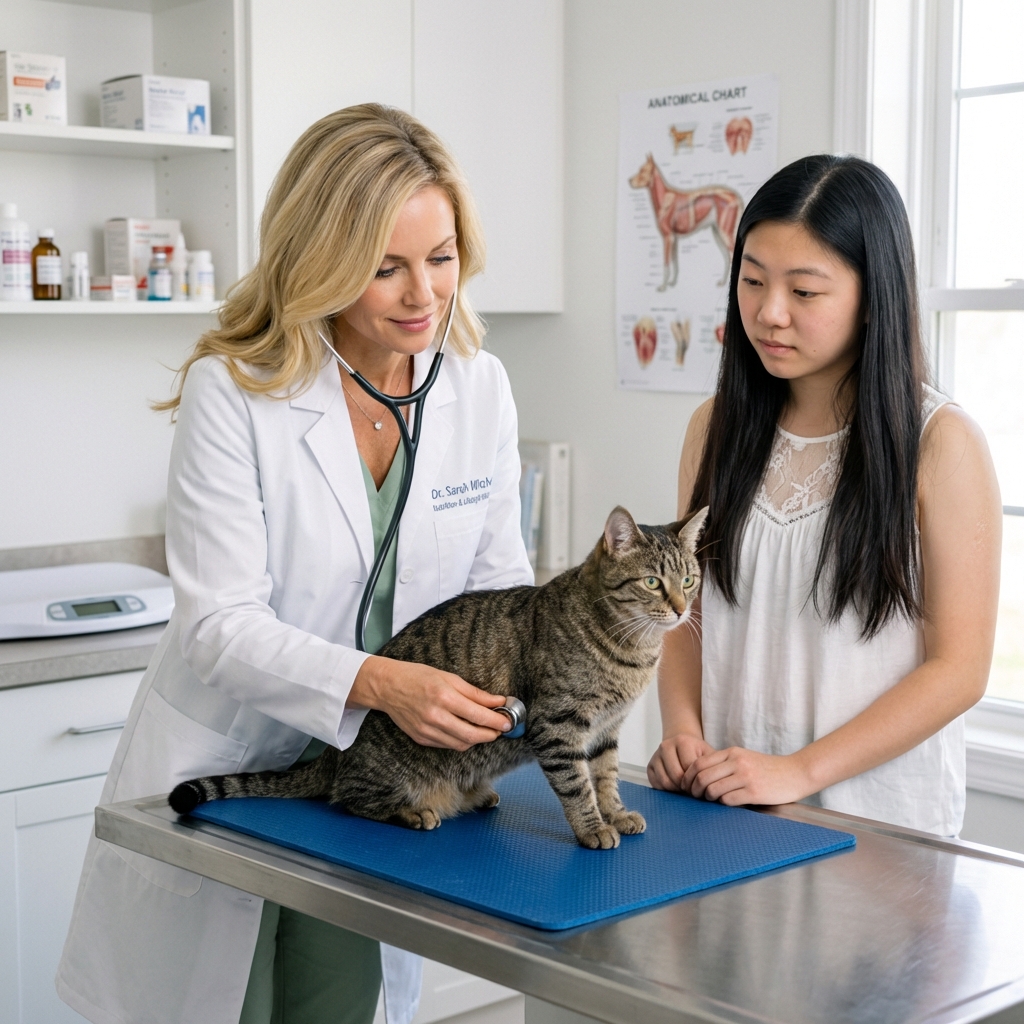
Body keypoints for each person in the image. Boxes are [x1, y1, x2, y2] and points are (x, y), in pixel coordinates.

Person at [57, 104, 533, 1024]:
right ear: (319, 255)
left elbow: (498, 590)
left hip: (373, 792)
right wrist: (385, 683)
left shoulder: (478, 386)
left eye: (440, 259)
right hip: (236, 770)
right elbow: (218, 626)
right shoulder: (235, 390)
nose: (422, 294)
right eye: (385, 266)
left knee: (340, 1006)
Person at [647, 155, 1001, 837]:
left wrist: (799, 771)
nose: (769, 313)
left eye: (804, 292)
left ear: (875, 298)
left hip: (879, 826)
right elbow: (685, 612)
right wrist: (683, 731)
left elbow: (958, 670)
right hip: (730, 807)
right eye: (752, 282)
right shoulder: (714, 428)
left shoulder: (940, 443)